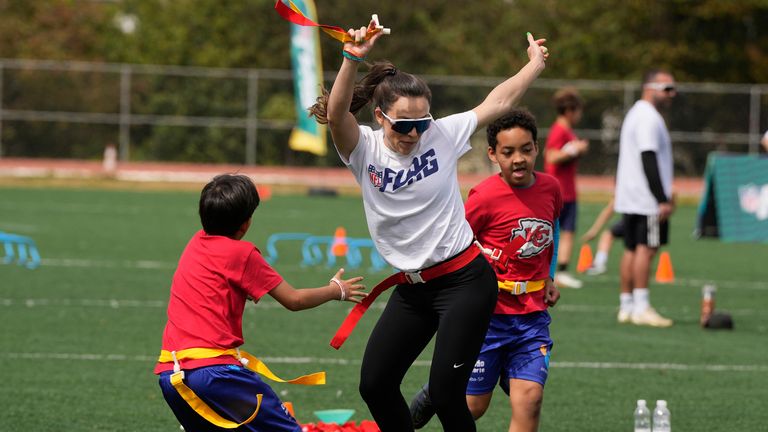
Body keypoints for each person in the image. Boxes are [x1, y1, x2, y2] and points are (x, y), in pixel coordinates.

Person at [308, 17, 549, 432]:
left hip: (465, 282)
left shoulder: (441, 133)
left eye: (422, 122)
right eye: (405, 125)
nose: (415, 133)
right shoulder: (363, 149)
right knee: (375, 384)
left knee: (445, 392)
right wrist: (351, 57)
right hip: (413, 287)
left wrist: (534, 65)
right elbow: (336, 114)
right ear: (381, 117)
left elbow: (498, 102)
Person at [154, 174, 367, 432]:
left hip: (171, 376)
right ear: (245, 224)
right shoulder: (243, 254)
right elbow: (294, 299)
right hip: (216, 375)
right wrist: (336, 291)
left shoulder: (195, 243)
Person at [409, 110, 562, 431]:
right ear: (493, 154)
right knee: (473, 407)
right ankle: (434, 394)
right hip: (486, 316)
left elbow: (552, 228)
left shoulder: (551, 189)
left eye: (526, 149)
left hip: (532, 318)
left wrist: (548, 275)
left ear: (537, 148)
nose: (518, 159)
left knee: (530, 399)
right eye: (508, 152)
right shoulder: (485, 196)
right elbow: (459, 241)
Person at [614, 69, 677, 327]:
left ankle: (626, 306)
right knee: (646, 249)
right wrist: (661, 197)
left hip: (632, 195)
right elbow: (648, 156)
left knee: (631, 249)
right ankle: (641, 306)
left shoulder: (636, 114)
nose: (672, 95)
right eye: (668, 89)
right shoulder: (648, 117)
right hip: (646, 197)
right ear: (651, 87)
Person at [544, 88, 589, 289]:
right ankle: (557, 271)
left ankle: (561, 270)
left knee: (568, 231)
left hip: (568, 189)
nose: (580, 115)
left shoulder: (567, 131)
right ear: (570, 110)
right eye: (578, 110)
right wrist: (574, 149)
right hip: (560, 190)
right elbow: (551, 156)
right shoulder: (559, 130)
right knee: (558, 232)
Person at [580, 196, 624, 275]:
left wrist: (594, 230)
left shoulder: (624, 186)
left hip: (639, 217)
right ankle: (599, 263)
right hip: (640, 216)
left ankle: (599, 264)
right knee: (608, 235)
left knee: (635, 248)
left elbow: (610, 208)